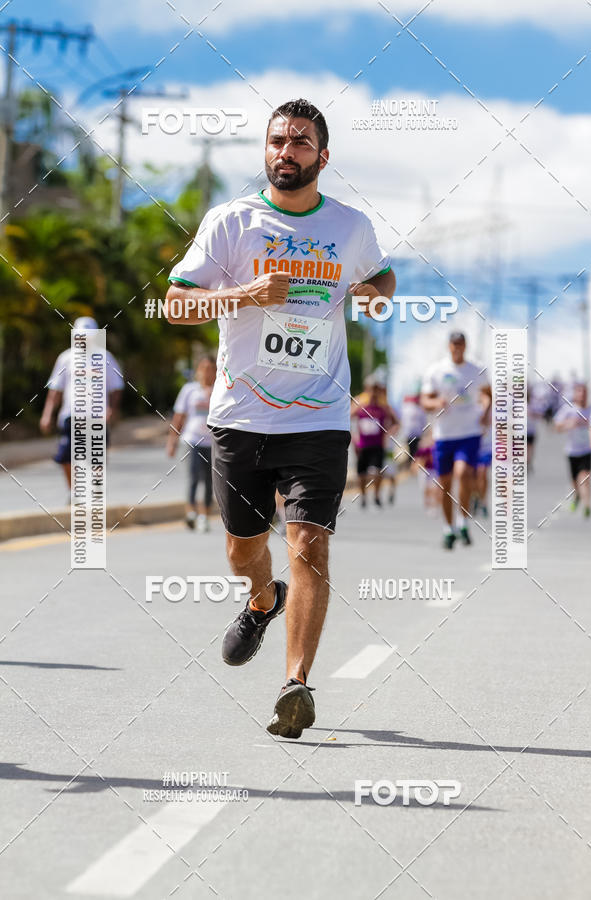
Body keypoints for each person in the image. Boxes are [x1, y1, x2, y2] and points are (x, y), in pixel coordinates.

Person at [165, 98, 395, 738]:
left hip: (319, 416)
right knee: (243, 548)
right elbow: (175, 305)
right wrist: (244, 293)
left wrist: (373, 298)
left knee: (309, 545)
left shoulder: (349, 227)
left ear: (323, 156)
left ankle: (296, 685)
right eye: (276, 141)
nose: (285, 151)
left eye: (299, 142)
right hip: (240, 416)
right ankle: (262, 599)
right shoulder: (231, 223)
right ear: (265, 150)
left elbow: (382, 279)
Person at [421, 331, 489, 549]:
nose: (457, 347)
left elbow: (488, 393)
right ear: (449, 346)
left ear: (466, 345)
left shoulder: (476, 369)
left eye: (461, 344)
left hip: (469, 432)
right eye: (454, 344)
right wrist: (436, 403)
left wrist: (486, 411)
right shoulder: (436, 370)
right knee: (445, 484)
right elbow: (425, 400)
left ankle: (463, 522)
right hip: (444, 435)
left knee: (464, 473)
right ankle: (449, 528)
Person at [40, 317, 124, 492]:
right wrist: (47, 414)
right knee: (65, 457)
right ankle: (75, 493)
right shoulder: (65, 358)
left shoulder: (105, 357)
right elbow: (55, 390)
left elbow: (116, 387)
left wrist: (111, 409)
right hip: (71, 415)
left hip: (97, 416)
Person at [167, 355, 216, 531]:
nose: (207, 372)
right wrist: (172, 440)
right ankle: (191, 512)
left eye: (211, 368)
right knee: (194, 476)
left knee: (210, 481)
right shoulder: (190, 390)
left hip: (213, 442)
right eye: (204, 368)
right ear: (198, 371)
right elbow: (179, 416)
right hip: (193, 439)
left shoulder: (221, 389)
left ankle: (204, 515)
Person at [351, 378, 399, 508]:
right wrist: (353, 437)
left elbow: (396, 422)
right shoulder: (360, 405)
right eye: (371, 390)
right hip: (362, 445)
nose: (373, 393)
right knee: (361, 474)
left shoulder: (384, 407)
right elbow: (347, 418)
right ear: (366, 390)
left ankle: (377, 495)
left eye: (376, 390)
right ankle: (363, 496)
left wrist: (388, 434)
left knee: (377, 471)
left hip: (378, 445)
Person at [554, 383, 591, 518]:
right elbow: (557, 426)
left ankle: (587, 505)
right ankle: (577, 496)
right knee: (575, 481)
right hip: (572, 451)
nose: (582, 395)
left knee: (585, 477)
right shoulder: (568, 409)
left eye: (584, 392)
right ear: (575, 394)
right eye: (579, 392)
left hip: (586, 450)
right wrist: (568, 424)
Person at [473, 385, 492, 517]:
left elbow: (485, 422)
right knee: (471, 475)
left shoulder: (492, 408)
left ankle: (483, 500)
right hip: (472, 444)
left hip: (486, 445)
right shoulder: (470, 406)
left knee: (482, 472)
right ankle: (475, 497)